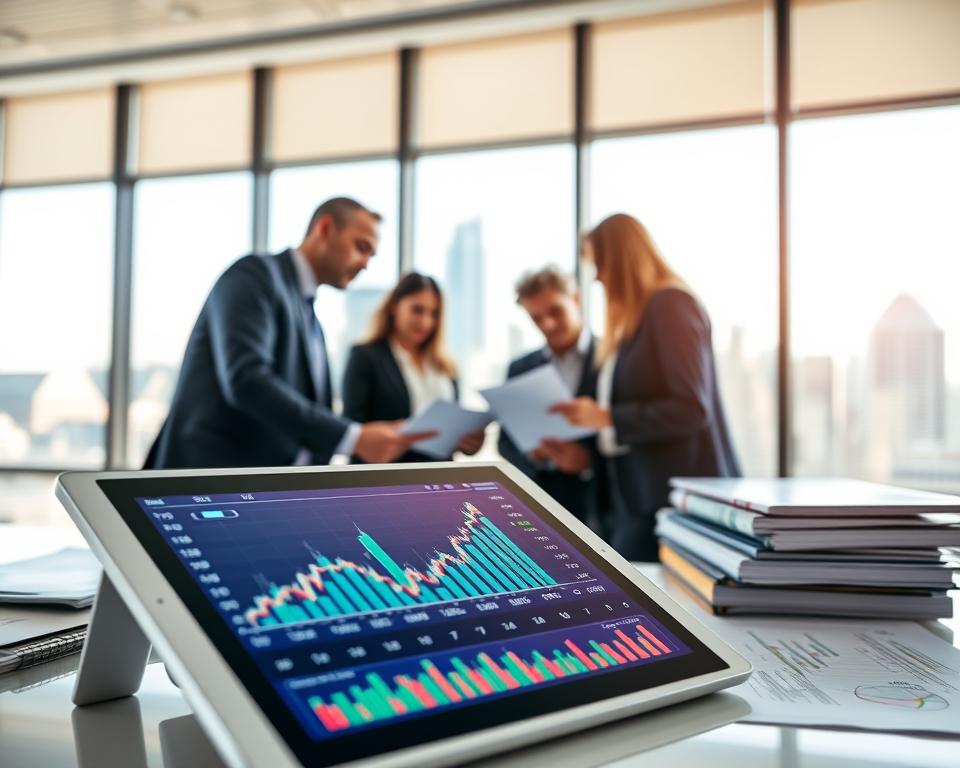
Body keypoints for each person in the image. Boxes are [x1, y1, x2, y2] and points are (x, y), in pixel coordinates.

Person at [144, 197, 434, 469]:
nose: (365, 263)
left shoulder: (311, 319)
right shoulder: (254, 276)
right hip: (205, 484)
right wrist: (354, 437)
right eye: (361, 246)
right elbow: (247, 379)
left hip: (261, 493)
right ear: (325, 228)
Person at [550, 214, 740, 561]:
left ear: (620, 261)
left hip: (670, 501)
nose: (597, 278)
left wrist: (605, 417)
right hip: (636, 497)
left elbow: (690, 409)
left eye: (600, 265)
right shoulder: (636, 320)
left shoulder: (671, 305)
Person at [498, 266, 603, 530]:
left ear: (576, 299)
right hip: (538, 508)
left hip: (601, 509)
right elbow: (505, 442)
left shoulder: (612, 359)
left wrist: (588, 462)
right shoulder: (519, 368)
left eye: (555, 311)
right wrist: (532, 455)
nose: (547, 324)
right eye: (536, 317)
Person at [342, 272, 484, 462]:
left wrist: (470, 444)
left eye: (433, 313)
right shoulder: (366, 357)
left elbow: (453, 431)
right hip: (389, 478)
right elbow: (352, 427)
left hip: (441, 476)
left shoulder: (446, 367)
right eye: (417, 310)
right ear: (394, 307)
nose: (426, 322)